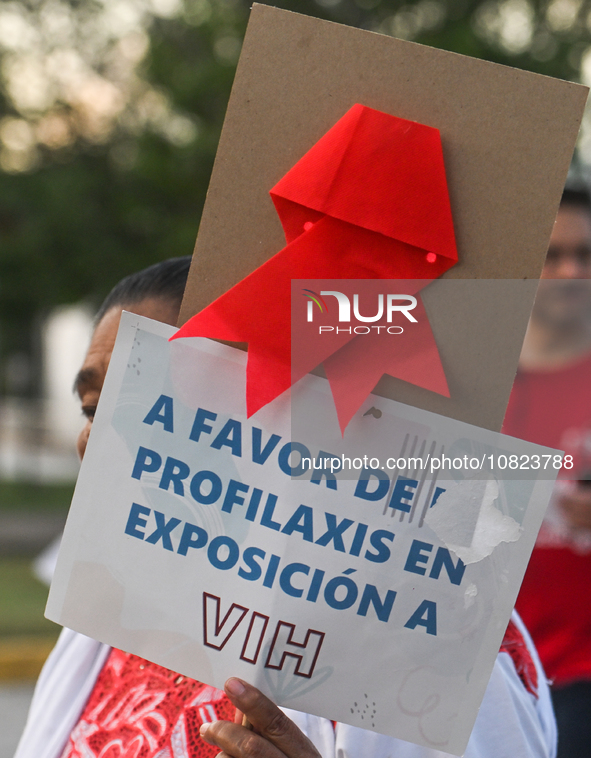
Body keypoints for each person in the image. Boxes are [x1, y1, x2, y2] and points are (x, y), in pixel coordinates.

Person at [17, 257, 557, 758]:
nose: (103, 437)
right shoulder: (104, 626)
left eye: (162, 405)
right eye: (93, 407)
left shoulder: (427, 637)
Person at [504, 187, 591, 758]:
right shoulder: (464, 382)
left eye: (585, 256)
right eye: (552, 253)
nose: (570, 271)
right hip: (492, 676)